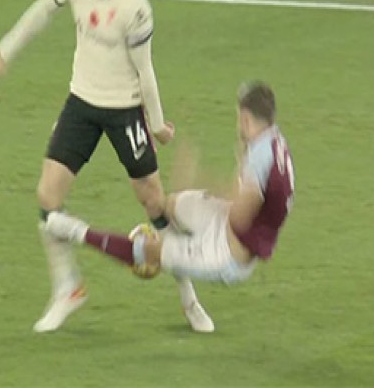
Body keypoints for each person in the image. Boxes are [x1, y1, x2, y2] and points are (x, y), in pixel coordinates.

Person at [0, 0, 212, 333]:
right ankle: (67, 287)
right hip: (82, 102)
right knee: (47, 195)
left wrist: (156, 124)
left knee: (153, 201)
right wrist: (6, 49)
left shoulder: (134, 4)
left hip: (124, 109)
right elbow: (43, 10)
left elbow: (145, 72)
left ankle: (189, 297)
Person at [44, 82, 295, 309]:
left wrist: (200, 179)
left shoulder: (260, 160)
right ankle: (187, 294)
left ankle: (72, 231)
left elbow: (240, 218)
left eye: (239, 118)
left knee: (149, 252)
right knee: (171, 205)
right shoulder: (271, 140)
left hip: (226, 253)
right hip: (227, 224)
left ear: (247, 119)